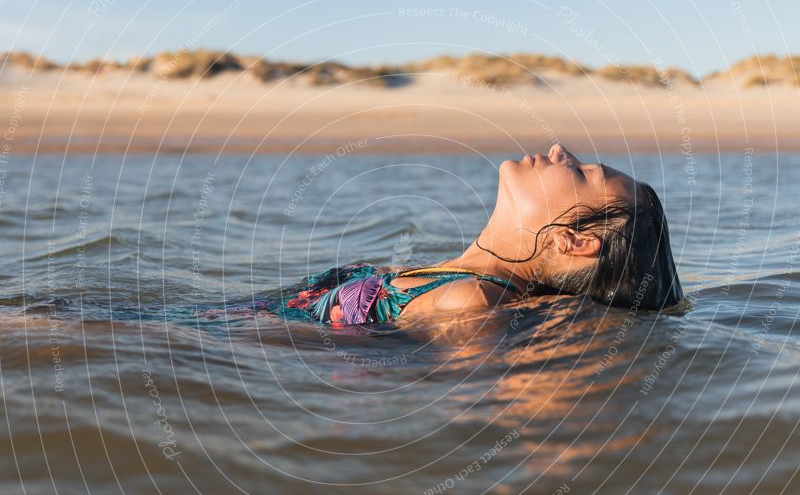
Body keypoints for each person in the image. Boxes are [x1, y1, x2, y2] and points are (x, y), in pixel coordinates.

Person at [265, 142, 684, 325]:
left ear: (573, 242)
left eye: (579, 171)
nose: (559, 150)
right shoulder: (450, 278)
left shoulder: (472, 300)